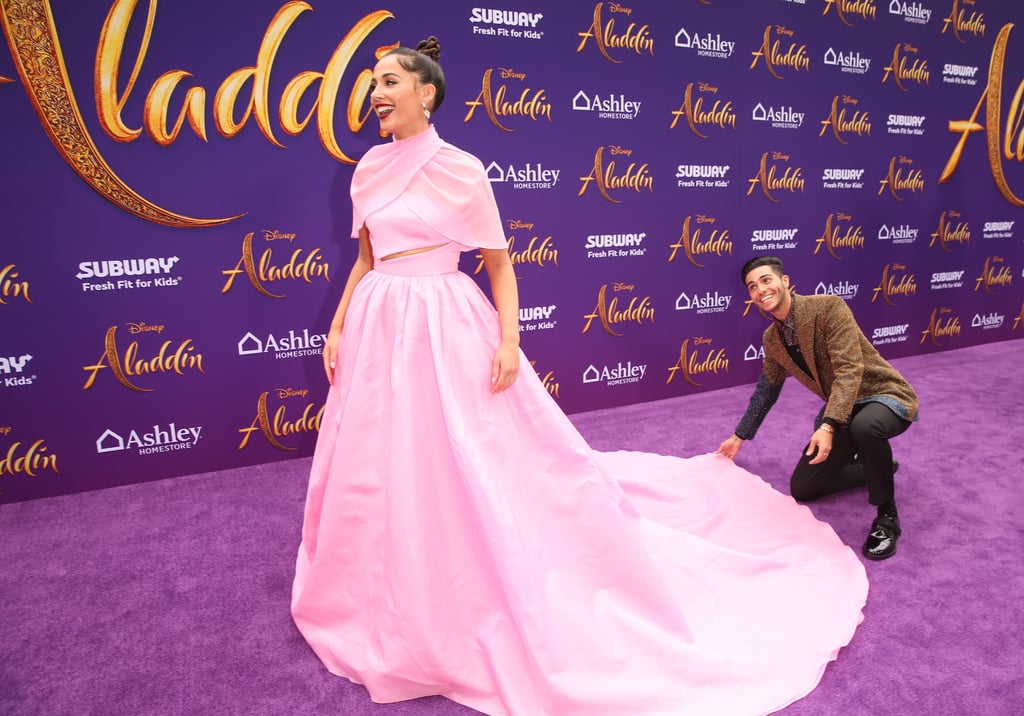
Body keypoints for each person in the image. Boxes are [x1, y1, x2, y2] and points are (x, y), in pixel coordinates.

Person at [291, 39, 868, 716]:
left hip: (445, 322)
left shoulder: (463, 170)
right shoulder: (367, 167)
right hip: (378, 322)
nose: (376, 94)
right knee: (376, 463)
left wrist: (508, 341)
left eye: (388, 81)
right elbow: (365, 258)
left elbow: (500, 264)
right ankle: (374, 587)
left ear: (427, 93)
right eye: (371, 85)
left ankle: (456, 582)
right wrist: (337, 324)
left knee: (463, 459)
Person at [717, 256, 919, 561]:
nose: (760, 289)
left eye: (766, 280)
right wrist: (739, 436)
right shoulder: (772, 339)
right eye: (752, 286)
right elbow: (767, 390)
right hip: (844, 411)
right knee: (804, 487)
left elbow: (850, 369)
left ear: (785, 281)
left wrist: (828, 425)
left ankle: (887, 516)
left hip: (882, 395)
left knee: (866, 427)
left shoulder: (827, 307)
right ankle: (875, 466)